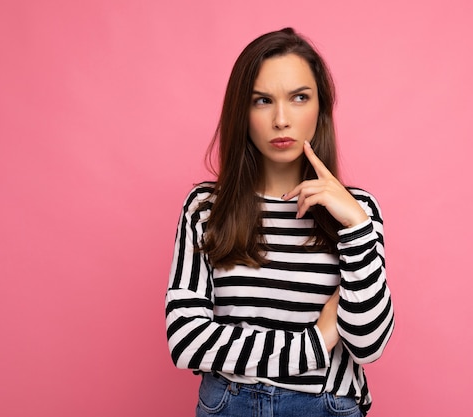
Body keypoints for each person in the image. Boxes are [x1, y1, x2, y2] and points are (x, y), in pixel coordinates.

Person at [165, 27, 394, 417]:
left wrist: (356, 227)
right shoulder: (206, 207)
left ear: (320, 107)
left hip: (326, 405)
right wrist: (318, 339)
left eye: (299, 97)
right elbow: (187, 341)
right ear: (243, 111)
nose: (281, 119)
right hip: (227, 406)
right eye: (263, 101)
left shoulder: (357, 211)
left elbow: (368, 344)